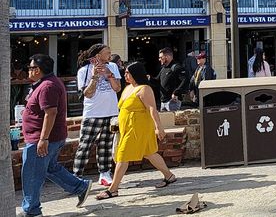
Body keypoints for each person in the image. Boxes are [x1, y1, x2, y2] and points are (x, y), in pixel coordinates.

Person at [20, 54, 92, 216]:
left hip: (43, 138)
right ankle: (80, 187)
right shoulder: (43, 84)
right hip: (47, 137)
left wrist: (43, 139)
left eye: (31, 68)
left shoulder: (48, 86)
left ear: (38, 70)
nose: (29, 71)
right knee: (50, 168)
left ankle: (31, 210)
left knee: (32, 174)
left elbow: (50, 113)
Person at [95, 62, 176, 200]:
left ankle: (113, 189)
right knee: (149, 152)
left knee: (122, 156)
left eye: (128, 72)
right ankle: (169, 176)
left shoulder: (144, 89)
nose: (125, 75)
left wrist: (159, 127)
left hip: (138, 128)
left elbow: (152, 109)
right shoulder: (128, 88)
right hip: (126, 127)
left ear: (135, 73)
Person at [73, 44, 121, 187]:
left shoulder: (112, 66)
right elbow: (87, 94)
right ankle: (76, 176)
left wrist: (108, 74)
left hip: (111, 112)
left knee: (106, 144)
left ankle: (105, 173)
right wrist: (95, 76)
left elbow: (117, 88)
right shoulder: (84, 71)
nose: (110, 55)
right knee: (85, 145)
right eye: (108, 53)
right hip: (92, 113)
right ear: (98, 55)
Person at [155, 48, 186, 112]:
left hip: (172, 101)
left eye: (161, 57)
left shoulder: (176, 67)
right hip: (163, 101)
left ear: (167, 57)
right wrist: (148, 78)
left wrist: (176, 92)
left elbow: (185, 80)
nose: (159, 59)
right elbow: (157, 81)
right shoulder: (163, 69)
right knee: (164, 121)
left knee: (173, 121)